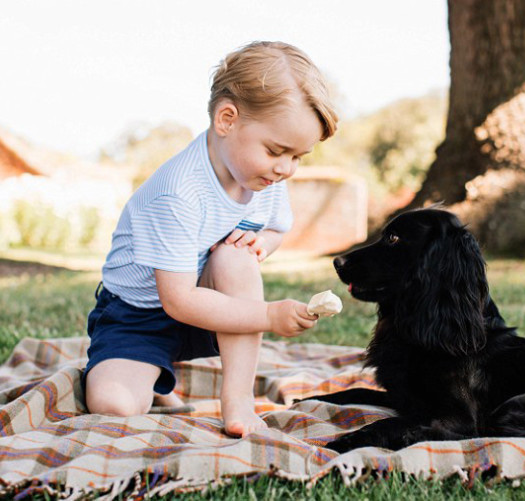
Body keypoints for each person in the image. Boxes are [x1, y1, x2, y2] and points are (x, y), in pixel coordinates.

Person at [84, 41, 338, 437]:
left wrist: (260, 244)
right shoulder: (178, 192)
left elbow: (275, 229)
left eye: (297, 157)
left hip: (211, 303)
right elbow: (178, 300)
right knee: (113, 405)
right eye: (277, 151)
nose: (286, 169)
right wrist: (269, 315)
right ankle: (148, 374)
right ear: (226, 119)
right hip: (140, 315)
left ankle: (237, 400)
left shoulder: (264, 178)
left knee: (236, 258)